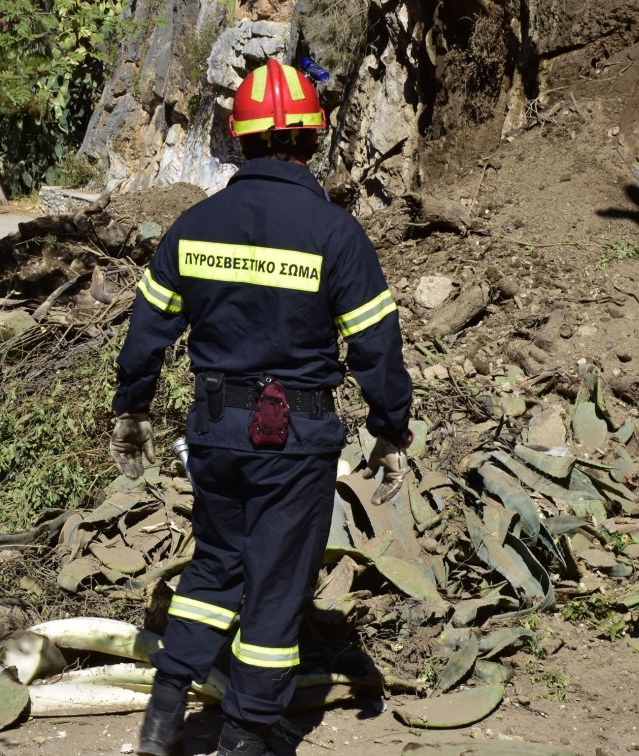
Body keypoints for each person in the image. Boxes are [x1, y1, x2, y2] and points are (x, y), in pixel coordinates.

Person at [108, 59, 414, 756]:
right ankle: (247, 737)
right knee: (277, 583)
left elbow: (146, 332)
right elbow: (376, 349)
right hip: (295, 434)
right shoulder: (335, 234)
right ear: (314, 137)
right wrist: (391, 431)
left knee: (216, 563)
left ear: (238, 139)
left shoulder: (196, 226)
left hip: (215, 428)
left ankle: (162, 716)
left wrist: (132, 412)